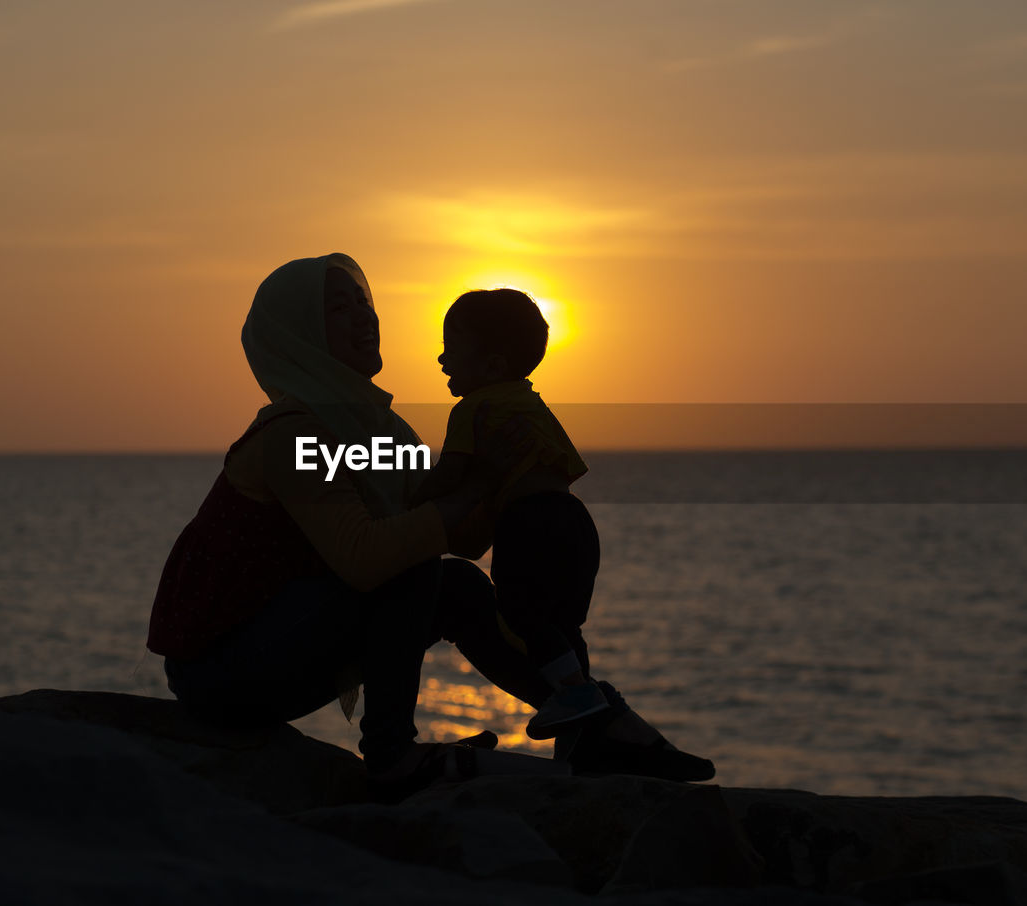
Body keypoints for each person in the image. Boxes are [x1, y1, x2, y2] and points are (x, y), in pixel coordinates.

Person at [147, 254, 713, 802]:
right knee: (408, 565)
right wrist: (472, 485)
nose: (364, 316)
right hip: (222, 672)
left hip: (295, 648)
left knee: (459, 585)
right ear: (296, 333)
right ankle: (392, 757)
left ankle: (595, 720)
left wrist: (520, 484)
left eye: (363, 302)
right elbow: (367, 558)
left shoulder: (385, 434)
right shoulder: (291, 437)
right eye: (337, 308)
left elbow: (462, 539)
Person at [413, 288, 608, 740]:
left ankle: (575, 694)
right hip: (574, 521)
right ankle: (584, 709)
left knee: (518, 613)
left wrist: (413, 500)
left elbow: (451, 473)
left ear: (493, 365)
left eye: (452, 349)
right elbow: (565, 467)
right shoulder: (530, 403)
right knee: (562, 623)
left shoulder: (473, 409)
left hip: (529, 521)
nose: (441, 360)